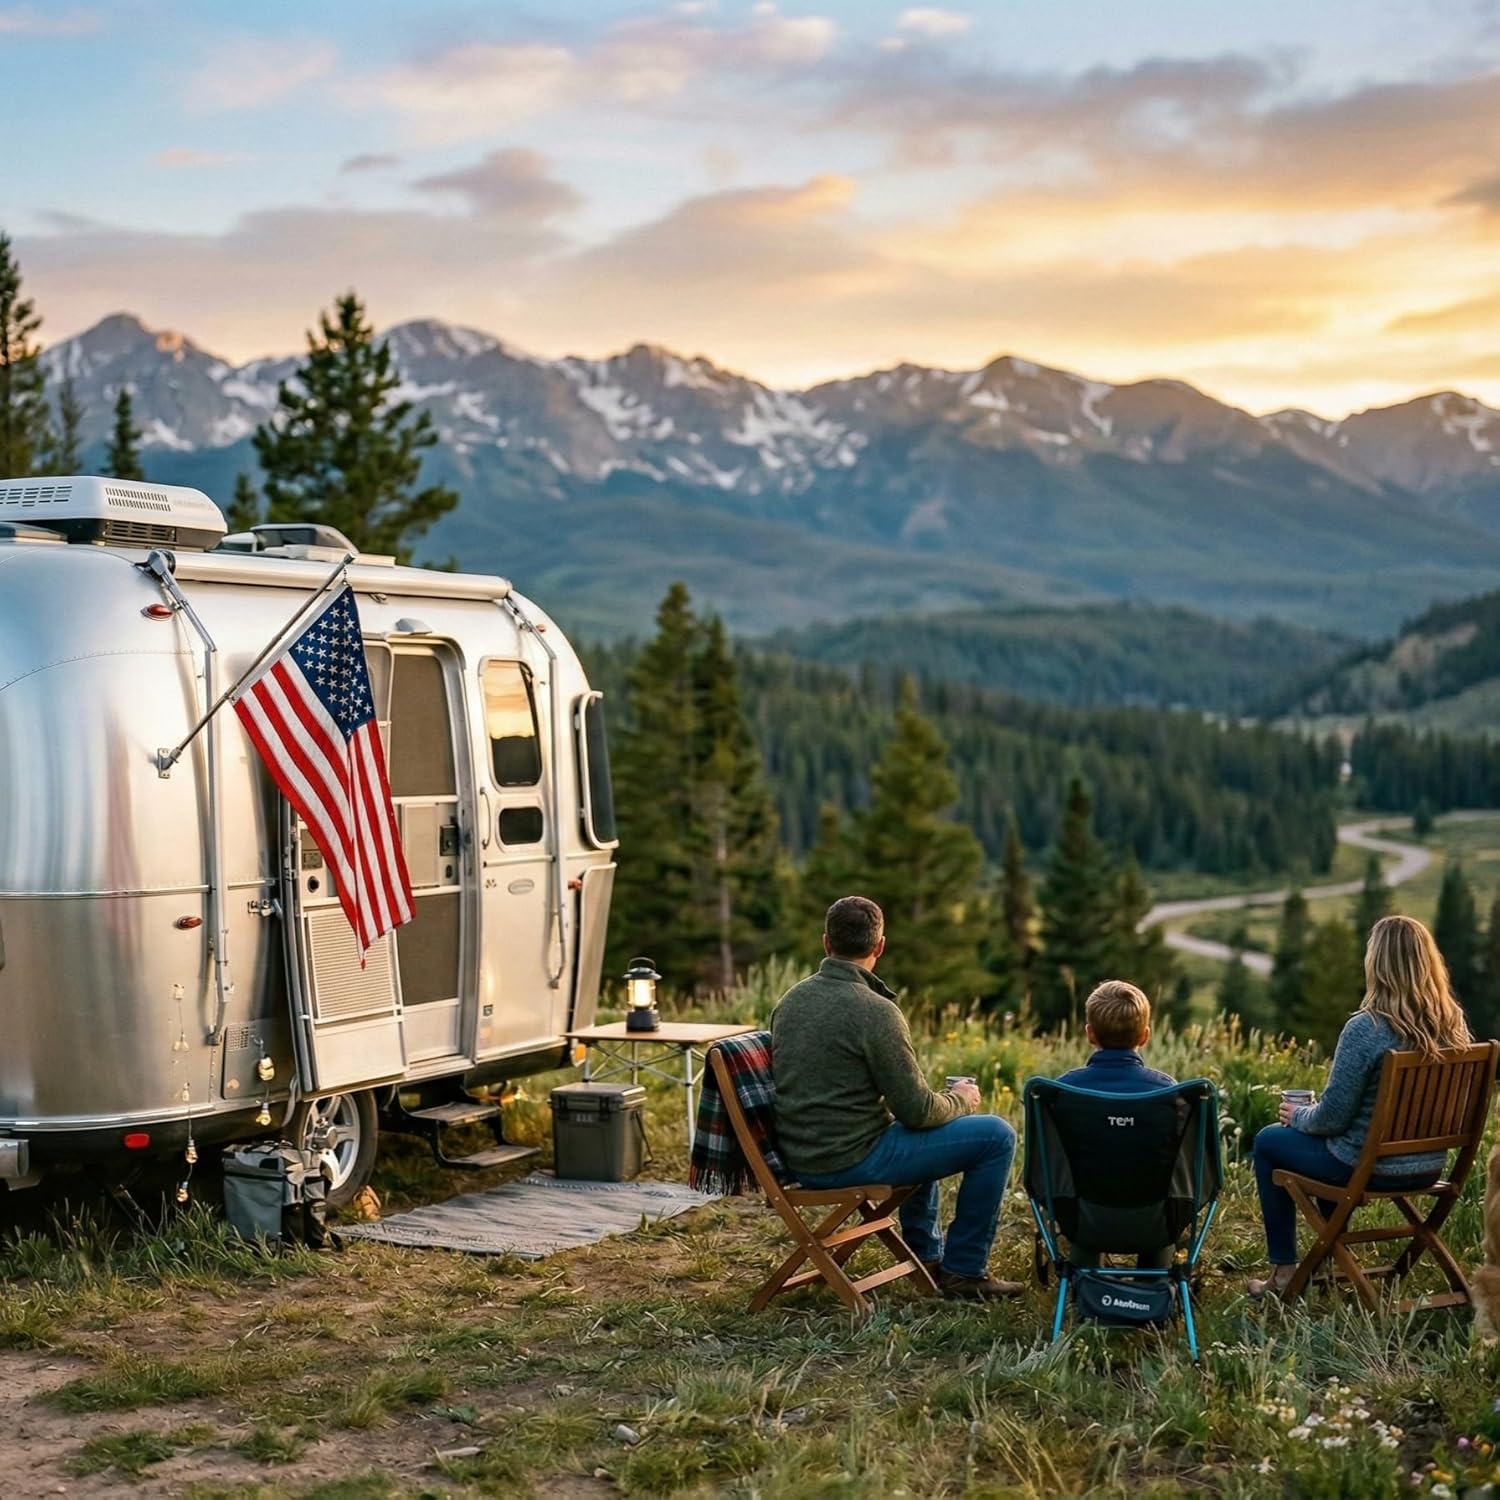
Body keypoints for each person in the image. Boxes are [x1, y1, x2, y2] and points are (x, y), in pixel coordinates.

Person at [771, 895, 1022, 1300]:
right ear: (879, 947)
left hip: (802, 1154)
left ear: (826, 943)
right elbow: (919, 1110)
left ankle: (927, 1257)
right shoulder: (875, 1011)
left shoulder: (791, 1001)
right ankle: (964, 1271)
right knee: (996, 1135)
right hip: (847, 1160)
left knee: (912, 1130)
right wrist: (959, 1099)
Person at [1248, 913, 1473, 1296]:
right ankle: (1332, 1255)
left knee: (1269, 1142)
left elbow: (1332, 1119)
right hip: (1429, 1168)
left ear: (1377, 965)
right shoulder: (1452, 1026)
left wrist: (1298, 1114)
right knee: (1323, 1147)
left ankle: (1285, 1272)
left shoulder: (1365, 1028)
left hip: (1369, 1169)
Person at [1056, 979, 1179, 1269]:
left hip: (1080, 1218)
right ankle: (1155, 1282)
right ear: (1146, 1036)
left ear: (1090, 1034)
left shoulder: (1061, 1092)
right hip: (1157, 1221)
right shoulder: (1171, 1095)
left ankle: (1084, 1278)